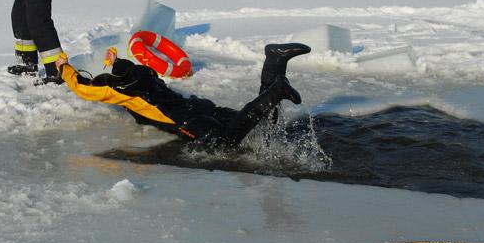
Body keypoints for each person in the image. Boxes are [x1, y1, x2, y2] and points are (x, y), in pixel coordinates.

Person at [55, 43, 311, 150]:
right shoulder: (142, 72)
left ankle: (276, 90)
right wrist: (115, 60)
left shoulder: (118, 90)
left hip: (186, 120)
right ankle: (275, 62)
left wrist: (64, 68)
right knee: (258, 124)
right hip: (199, 106)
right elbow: (123, 68)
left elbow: (82, 88)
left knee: (224, 142)